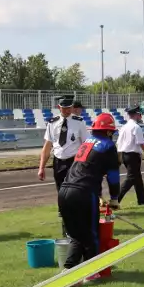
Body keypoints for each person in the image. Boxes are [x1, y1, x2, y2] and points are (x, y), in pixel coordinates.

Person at [59, 113, 121, 283]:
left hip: (64, 191)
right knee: (91, 233)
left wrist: (100, 196)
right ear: (109, 132)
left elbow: (88, 169)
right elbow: (113, 176)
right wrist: (114, 198)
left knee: (76, 235)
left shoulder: (87, 143)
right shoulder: (108, 145)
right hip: (83, 192)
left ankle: (69, 271)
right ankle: (91, 272)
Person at [38, 95, 88, 236]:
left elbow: (86, 146)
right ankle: (66, 229)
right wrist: (41, 167)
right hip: (58, 162)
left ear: (72, 107)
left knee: (74, 195)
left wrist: (85, 165)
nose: (67, 111)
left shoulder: (79, 122)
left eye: (69, 108)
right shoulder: (52, 123)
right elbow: (47, 147)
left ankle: (77, 227)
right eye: (64, 108)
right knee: (62, 196)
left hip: (74, 162)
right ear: (59, 107)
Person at [116, 105, 144, 205]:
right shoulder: (136, 127)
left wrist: (119, 157)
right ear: (136, 115)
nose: (141, 117)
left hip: (125, 155)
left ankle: (142, 200)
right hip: (133, 156)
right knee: (131, 178)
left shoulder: (124, 127)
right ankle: (115, 200)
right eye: (140, 114)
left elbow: (118, 143)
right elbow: (142, 143)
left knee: (137, 178)